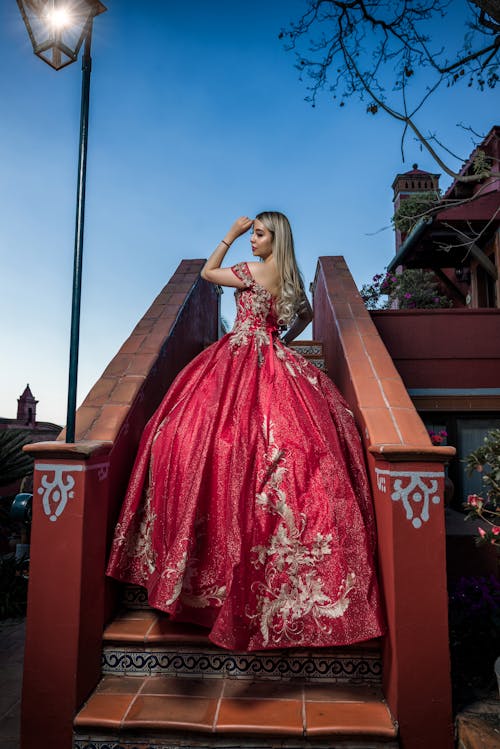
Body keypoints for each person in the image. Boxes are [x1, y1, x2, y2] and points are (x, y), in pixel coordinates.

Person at [106, 212, 385, 651]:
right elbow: (307, 313)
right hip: (272, 352)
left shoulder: (251, 272)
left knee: (187, 432)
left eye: (258, 234)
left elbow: (205, 272)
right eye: (250, 233)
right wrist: (281, 340)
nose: (251, 240)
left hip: (238, 354)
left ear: (275, 239)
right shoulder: (288, 275)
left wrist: (228, 235)